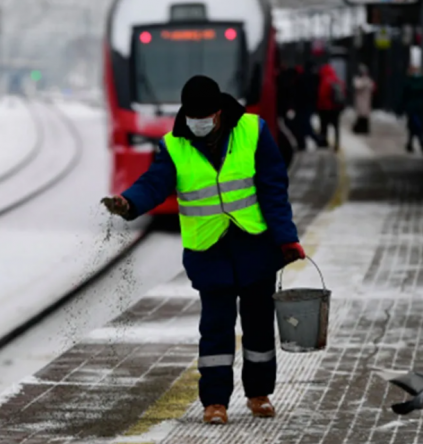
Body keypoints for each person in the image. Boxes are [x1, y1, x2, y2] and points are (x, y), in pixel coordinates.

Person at [100, 75, 305, 425]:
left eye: (205, 114)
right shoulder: (174, 145)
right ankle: (214, 402)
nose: (198, 121)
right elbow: (155, 183)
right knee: (216, 327)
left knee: (258, 325)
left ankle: (259, 394)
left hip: (254, 242)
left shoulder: (253, 131)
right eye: (192, 115)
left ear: (219, 112)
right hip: (209, 250)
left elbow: (273, 188)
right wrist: (127, 202)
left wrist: (286, 238)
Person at [296, 60, 327, 148]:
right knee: (305, 125)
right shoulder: (316, 78)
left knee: (304, 125)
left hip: (302, 106)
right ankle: (317, 141)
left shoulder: (302, 77)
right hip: (310, 105)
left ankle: (313, 141)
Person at [317, 63, 346, 151]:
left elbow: (322, 95)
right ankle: (337, 144)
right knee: (336, 127)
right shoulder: (337, 80)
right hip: (336, 108)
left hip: (325, 108)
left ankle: (324, 144)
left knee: (324, 127)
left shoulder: (325, 80)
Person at [399, 65, 423, 152]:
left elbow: (404, 96)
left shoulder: (408, 82)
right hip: (420, 107)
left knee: (413, 126)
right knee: (418, 125)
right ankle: (415, 142)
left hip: (412, 107)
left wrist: (401, 108)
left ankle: (412, 143)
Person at [352, 64, 375, 135]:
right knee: (362, 116)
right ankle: (362, 129)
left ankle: (362, 129)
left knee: (363, 116)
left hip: (363, 100)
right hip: (363, 100)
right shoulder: (368, 80)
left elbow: (358, 85)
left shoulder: (365, 80)